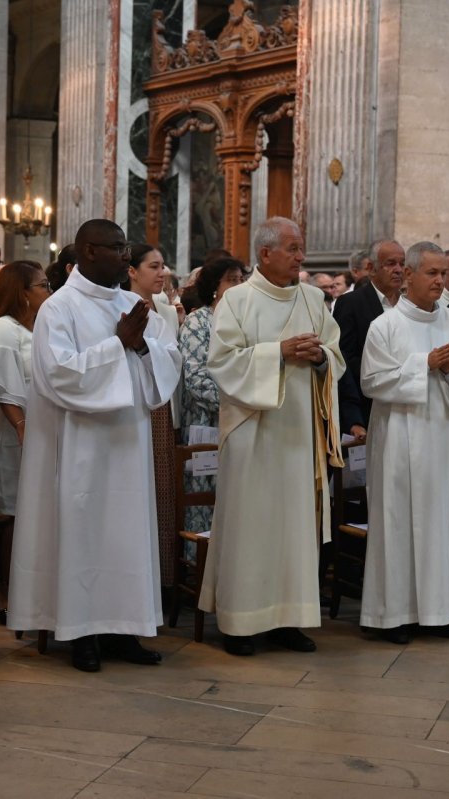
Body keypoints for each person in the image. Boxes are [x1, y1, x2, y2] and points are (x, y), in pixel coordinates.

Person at [7, 219, 181, 673]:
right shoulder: (58, 309)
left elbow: (166, 363)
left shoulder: (132, 304)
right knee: (82, 534)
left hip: (127, 442)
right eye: (116, 248)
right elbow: (59, 375)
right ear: (87, 251)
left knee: (126, 535)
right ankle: (81, 633)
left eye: (126, 248)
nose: (126, 257)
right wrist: (117, 345)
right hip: (79, 444)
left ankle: (123, 628)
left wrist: (142, 348)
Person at [199, 217, 345, 656]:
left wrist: (320, 357)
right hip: (252, 432)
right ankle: (240, 622)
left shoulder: (315, 298)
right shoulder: (238, 301)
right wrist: (277, 353)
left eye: (301, 248)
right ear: (265, 253)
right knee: (251, 525)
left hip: (299, 432)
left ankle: (289, 618)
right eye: (293, 248)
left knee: (293, 527)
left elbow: (335, 354)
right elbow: (221, 363)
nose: (301, 257)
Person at [359, 243, 449, 643]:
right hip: (399, 435)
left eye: (442, 274)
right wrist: (424, 365)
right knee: (397, 523)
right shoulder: (386, 326)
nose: (439, 281)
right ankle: (392, 615)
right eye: (431, 273)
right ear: (409, 276)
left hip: (443, 433)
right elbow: (372, 381)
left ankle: (438, 612)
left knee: (442, 520)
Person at [0, 262, 50, 621]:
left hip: (38, 435)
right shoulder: (3, 329)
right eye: (42, 285)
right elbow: (0, 385)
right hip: (13, 439)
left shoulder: (32, 328)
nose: (48, 291)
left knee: (34, 515)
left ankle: (32, 591)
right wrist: (21, 426)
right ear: (22, 292)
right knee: (14, 515)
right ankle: (6, 594)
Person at [126, 243, 181, 587]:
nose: (162, 273)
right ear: (131, 271)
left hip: (160, 410)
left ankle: (159, 580)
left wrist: (152, 350)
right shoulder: (120, 307)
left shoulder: (165, 312)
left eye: (163, 267)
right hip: (130, 407)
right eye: (154, 266)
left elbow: (173, 359)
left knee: (160, 496)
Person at [179, 257, 246, 533]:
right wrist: (242, 398)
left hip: (243, 422)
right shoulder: (198, 321)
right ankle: (200, 570)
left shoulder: (246, 321)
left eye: (242, 279)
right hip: (207, 423)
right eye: (232, 280)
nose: (239, 285)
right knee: (204, 504)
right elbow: (195, 378)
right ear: (214, 287)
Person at [334, 238, 405, 435]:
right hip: (367, 405)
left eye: (402, 263)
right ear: (372, 268)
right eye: (391, 263)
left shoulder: (409, 305)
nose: (399, 269)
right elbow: (344, 358)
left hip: (406, 403)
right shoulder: (351, 303)